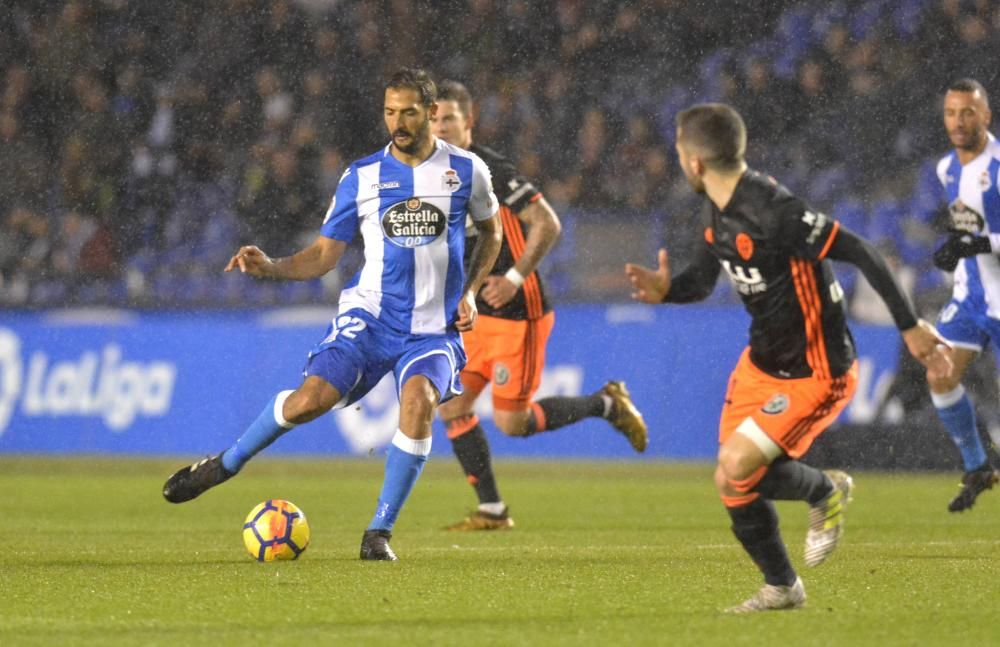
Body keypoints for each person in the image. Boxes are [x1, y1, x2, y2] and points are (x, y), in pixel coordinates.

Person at [161, 68, 502, 561]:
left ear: (430, 113)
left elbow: (491, 234)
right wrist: (273, 266)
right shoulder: (362, 176)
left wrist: (469, 292)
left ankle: (378, 533)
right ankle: (225, 464)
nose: (397, 122)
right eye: (390, 111)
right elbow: (324, 255)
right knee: (309, 400)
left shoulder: (467, 171)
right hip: (371, 317)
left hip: (433, 328)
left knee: (419, 401)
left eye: (408, 111)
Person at [625, 103, 952, 613]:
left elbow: (863, 250)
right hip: (761, 364)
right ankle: (782, 588)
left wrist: (908, 327)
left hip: (816, 368)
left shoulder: (773, 209)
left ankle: (825, 489)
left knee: (737, 464)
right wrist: (668, 290)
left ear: (692, 162)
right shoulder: (714, 210)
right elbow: (702, 282)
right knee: (729, 480)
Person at [430, 80, 648, 530]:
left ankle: (604, 404)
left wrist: (512, 278)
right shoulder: (434, 174)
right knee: (451, 406)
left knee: (513, 423)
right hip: (475, 314)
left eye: (448, 118)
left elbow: (546, 223)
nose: (440, 127)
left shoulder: (490, 168)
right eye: (433, 119)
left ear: (468, 122)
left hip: (516, 313)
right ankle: (492, 510)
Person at [927, 78, 1000, 511]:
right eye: (952, 113)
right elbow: (968, 228)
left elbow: (983, 237)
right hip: (972, 296)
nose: (959, 121)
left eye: (968, 112)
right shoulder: (945, 169)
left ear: (986, 116)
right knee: (939, 370)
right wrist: (954, 249)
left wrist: (978, 244)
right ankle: (978, 465)